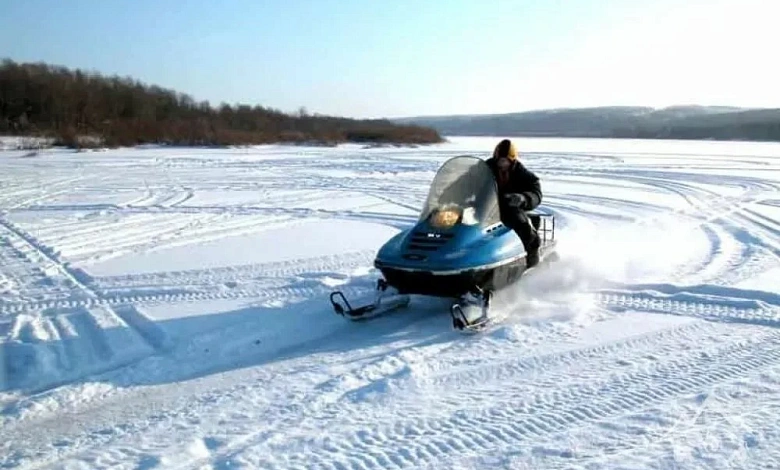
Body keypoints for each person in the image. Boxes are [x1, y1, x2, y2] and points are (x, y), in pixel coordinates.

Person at [485, 139, 542, 267]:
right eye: (499, 160)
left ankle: (532, 261)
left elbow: (535, 191)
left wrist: (523, 198)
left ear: (512, 160)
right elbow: (467, 180)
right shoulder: (485, 168)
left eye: (504, 160)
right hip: (484, 207)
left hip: (509, 208)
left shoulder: (521, 173)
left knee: (524, 229)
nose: (501, 163)